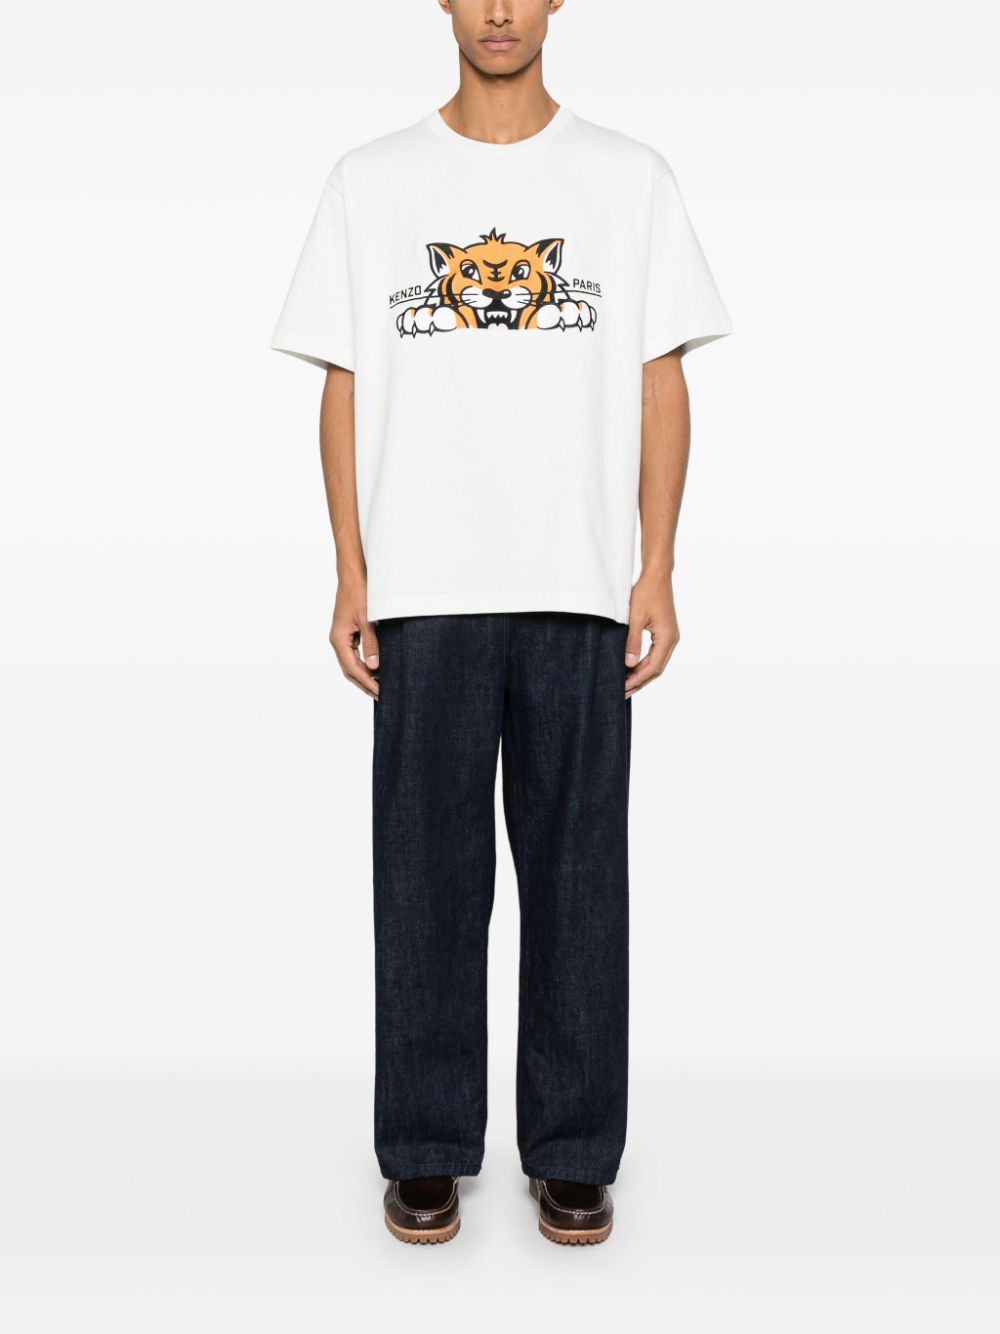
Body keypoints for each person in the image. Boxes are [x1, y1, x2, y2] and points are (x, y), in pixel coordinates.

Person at [271, 0, 731, 1247]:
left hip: (576, 581)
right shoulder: (371, 181)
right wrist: (350, 568)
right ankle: (425, 1145)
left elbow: (661, 380)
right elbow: (343, 381)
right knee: (425, 878)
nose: (497, 10)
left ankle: (572, 1149)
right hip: (423, 587)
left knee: (579, 877)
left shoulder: (628, 178)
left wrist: (656, 566)